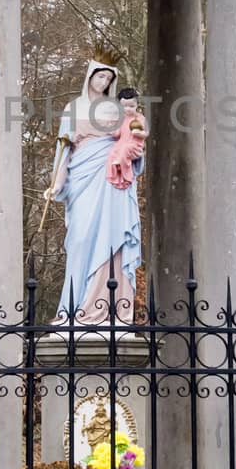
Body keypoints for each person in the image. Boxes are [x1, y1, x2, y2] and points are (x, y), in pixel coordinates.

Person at [46, 59, 144, 323]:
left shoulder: (116, 110)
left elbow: (131, 136)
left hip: (112, 179)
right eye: (100, 77)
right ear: (89, 76)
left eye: (108, 80)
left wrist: (133, 152)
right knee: (80, 239)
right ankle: (74, 307)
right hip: (82, 176)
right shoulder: (73, 108)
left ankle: (110, 309)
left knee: (113, 237)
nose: (104, 83)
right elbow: (64, 147)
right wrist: (57, 183)